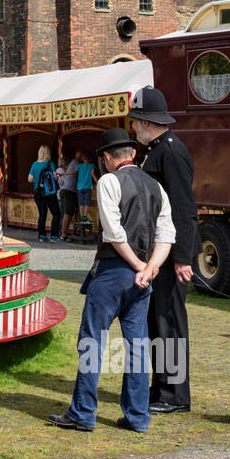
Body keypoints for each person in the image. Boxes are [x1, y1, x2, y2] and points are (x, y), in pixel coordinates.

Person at [49, 128, 175, 433]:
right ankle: (137, 416)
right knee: (137, 347)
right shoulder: (156, 186)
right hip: (142, 276)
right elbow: (167, 234)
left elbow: (113, 233)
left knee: (92, 341)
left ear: (106, 157)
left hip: (113, 271)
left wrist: (137, 265)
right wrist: (150, 268)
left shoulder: (108, 181)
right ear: (132, 154)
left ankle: (83, 412)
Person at [130, 87, 198, 414]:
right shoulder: (159, 150)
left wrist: (183, 257)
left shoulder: (171, 152)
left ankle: (175, 394)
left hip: (171, 253)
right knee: (158, 321)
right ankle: (162, 387)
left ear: (146, 122)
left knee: (169, 322)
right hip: (161, 250)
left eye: (135, 122)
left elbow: (185, 209)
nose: (133, 128)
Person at [27, 144, 58, 242]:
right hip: (49, 192)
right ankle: (54, 235)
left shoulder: (34, 164)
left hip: (38, 192)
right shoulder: (50, 163)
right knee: (56, 213)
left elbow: (30, 179)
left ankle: (42, 236)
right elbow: (55, 178)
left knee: (42, 214)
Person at [58, 151, 79, 240]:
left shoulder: (71, 164)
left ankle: (62, 234)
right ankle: (63, 235)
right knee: (68, 213)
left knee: (64, 213)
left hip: (65, 190)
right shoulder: (75, 162)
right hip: (69, 191)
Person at [76, 150, 94, 222]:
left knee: (81, 204)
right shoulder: (91, 166)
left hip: (79, 188)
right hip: (88, 187)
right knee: (86, 204)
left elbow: (72, 172)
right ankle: (84, 219)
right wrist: (98, 181)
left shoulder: (79, 166)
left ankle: (81, 219)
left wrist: (64, 174)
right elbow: (93, 175)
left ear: (82, 158)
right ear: (90, 159)